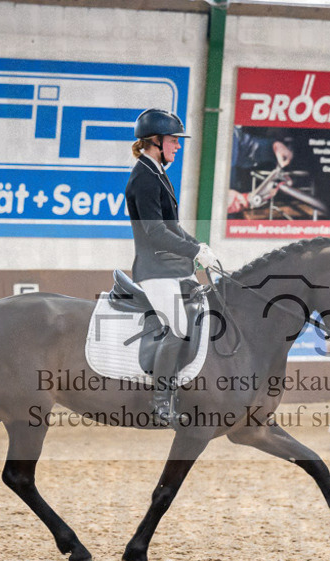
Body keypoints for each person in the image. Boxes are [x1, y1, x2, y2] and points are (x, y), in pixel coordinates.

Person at [125, 108, 218, 425]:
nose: (178, 146)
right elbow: (156, 233)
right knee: (177, 328)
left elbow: (173, 227)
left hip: (173, 267)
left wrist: (199, 249)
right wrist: (194, 250)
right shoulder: (143, 179)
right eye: (173, 140)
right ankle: (161, 401)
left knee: (206, 312)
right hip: (154, 270)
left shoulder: (158, 174)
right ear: (155, 141)